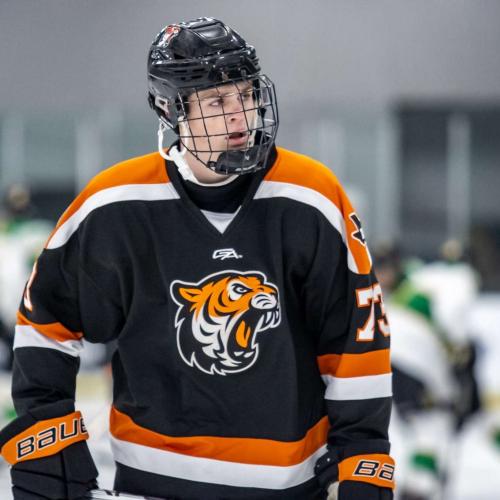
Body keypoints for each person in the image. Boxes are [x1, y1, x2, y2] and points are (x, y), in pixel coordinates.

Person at [0, 17, 394, 500]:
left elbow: (356, 340)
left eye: (246, 95)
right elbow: (46, 321)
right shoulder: (115, 205)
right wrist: (45, 433)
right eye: (217, 102)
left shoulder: (312, 197)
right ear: (172, 109)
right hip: (150, 484)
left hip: (288, 488)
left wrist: (364, 457)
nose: (240, 117)